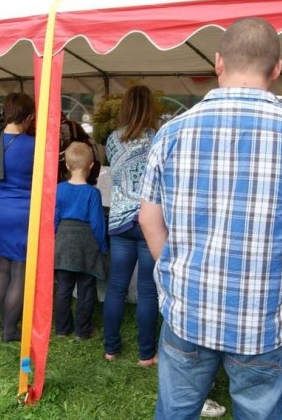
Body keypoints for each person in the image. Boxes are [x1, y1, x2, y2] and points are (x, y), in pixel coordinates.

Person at [139, 18, 282, 419]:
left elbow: (149, 219)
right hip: (264, 318)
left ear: (218, 62)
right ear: (277, 68)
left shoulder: (171, 132)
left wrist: (182, 274)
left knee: (175, 411)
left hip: (189, 310)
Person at [102, 85, 159, 367]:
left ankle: (111, 349)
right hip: (149, 220)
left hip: (120, 220)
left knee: (116, 286)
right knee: (148, 291)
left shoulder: (112, 139)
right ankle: (146, 354)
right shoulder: (158, 139)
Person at [0, 92, 35, 342]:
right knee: (19, 270)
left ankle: (5, 320)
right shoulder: (33, 145)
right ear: (29, 116)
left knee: (2, 268)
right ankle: (10, 330)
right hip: (21, 211)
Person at [54, 141, 108, 340]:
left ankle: (62, 329)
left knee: (63, 288)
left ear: (67, 165)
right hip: (86, 245)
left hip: (63, 241)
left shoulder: (59, 189)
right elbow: (97, 223)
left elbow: (54, 219)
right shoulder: (93, 193)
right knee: (86, 289)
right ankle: (82, 331)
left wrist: (55, 239)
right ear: (92, 165)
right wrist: (102, 247)